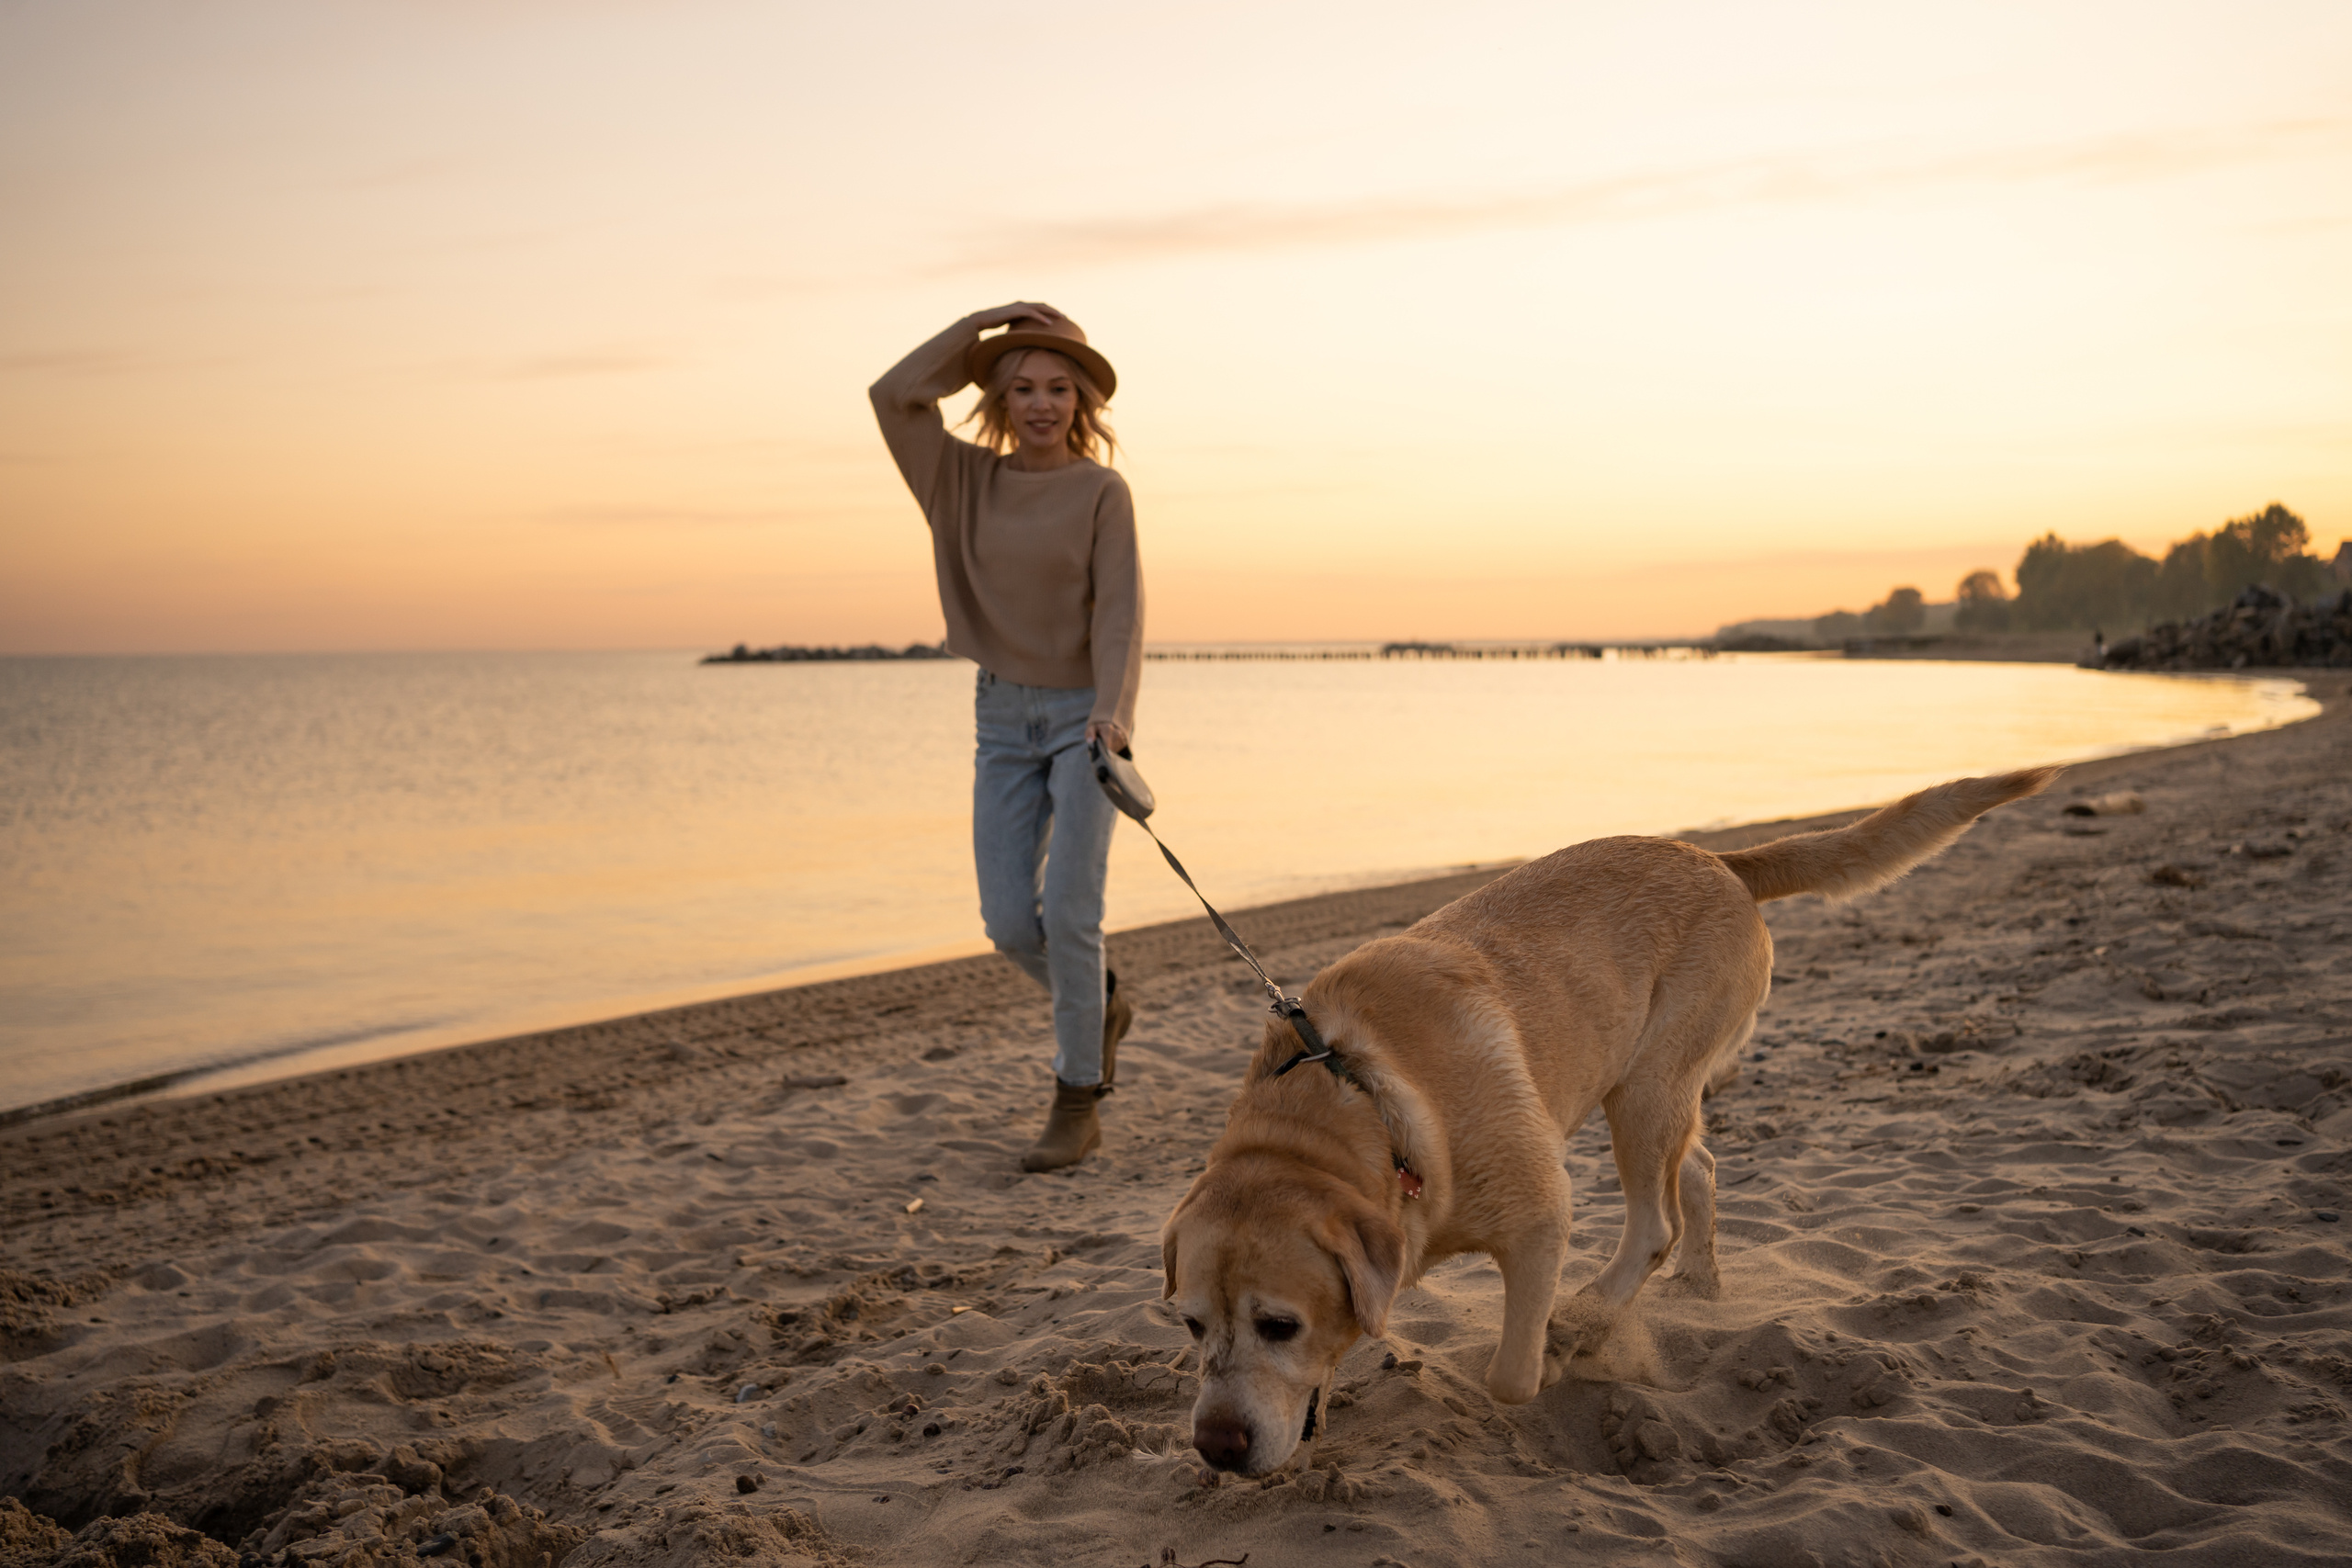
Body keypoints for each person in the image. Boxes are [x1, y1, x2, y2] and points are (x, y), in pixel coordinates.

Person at [869, 304, 1143, 1171]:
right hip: (1000, 718)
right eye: (1021, 385)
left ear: (1082, 402)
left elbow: (1122, 615)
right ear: (995, 394)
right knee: (1005, 922)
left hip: (1084, 720)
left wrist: (1114, 713)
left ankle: (1076, 1098)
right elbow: (892, 395)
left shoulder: (1103, 492)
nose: (1041, 403)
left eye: (1059, 387)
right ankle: (1097, 1001)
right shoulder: (957, 478)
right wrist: (978, 325)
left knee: (1069, 911)